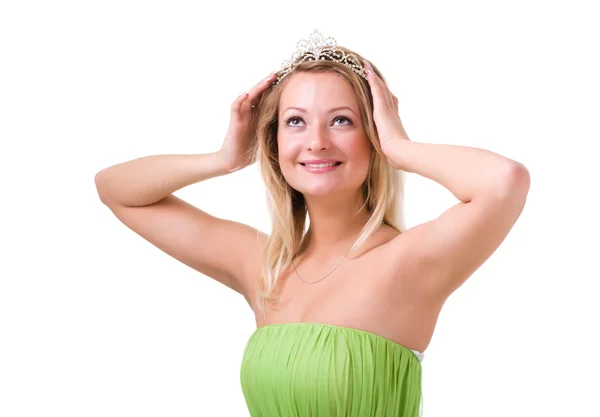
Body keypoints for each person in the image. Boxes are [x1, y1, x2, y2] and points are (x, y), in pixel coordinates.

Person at [95, 30, 530, 416]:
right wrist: (223, 159)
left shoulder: (407, 264)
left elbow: (504, 182)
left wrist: (400, 146)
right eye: (295, 122)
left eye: (341, 120)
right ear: (274, 142)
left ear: (373, 134)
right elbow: (117, 189)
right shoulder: (263, 267)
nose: (316, 142)